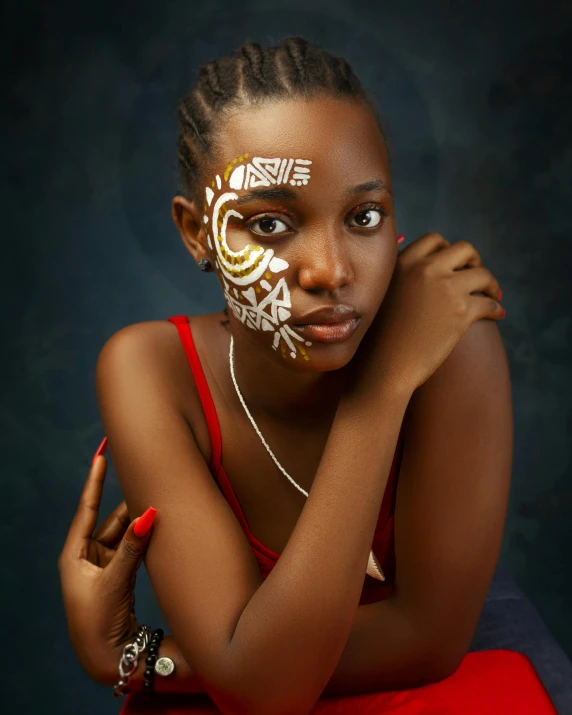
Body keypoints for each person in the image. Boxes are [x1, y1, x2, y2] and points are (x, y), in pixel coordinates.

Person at [58, 37, 559, 714]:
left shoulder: (447, 339)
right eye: (268, 223)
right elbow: (254, 685)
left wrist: (145, 658)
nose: (331, 270)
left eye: (364, 216)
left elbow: (424, 642)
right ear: (197, 232)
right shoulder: (149, 368)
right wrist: (382, 391)